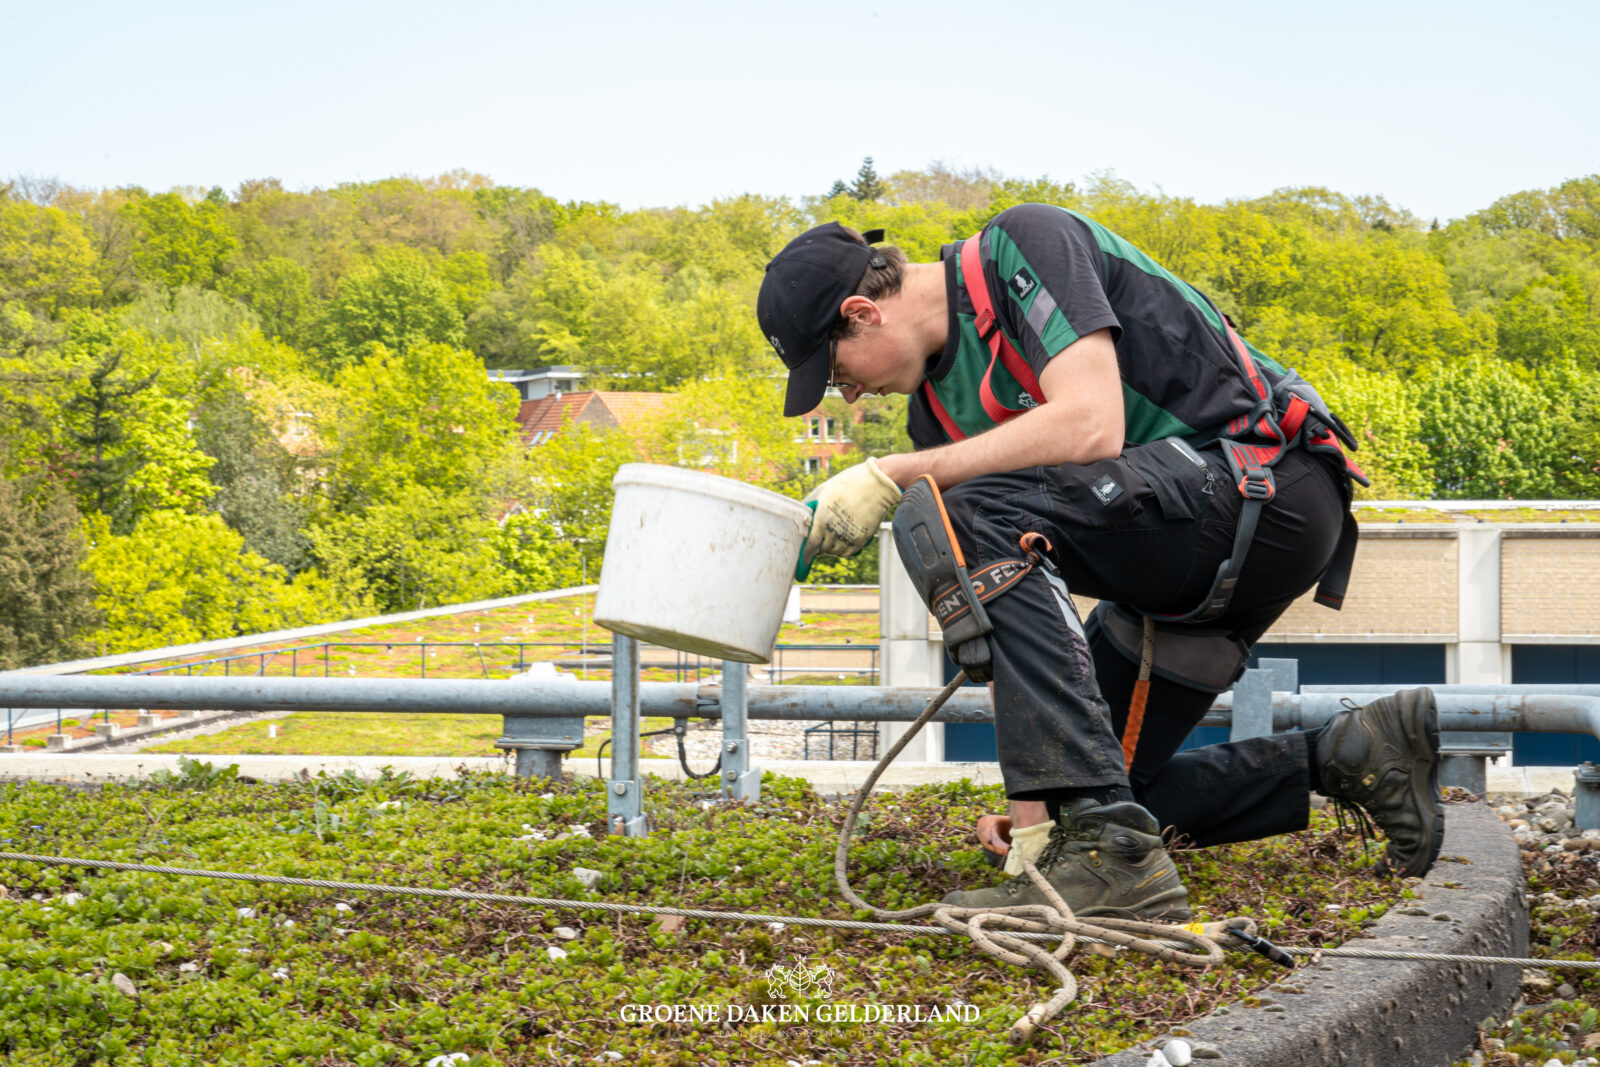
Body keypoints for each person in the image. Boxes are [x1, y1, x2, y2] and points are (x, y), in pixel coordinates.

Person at [755, 206, 1443, 919]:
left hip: (1267, 490)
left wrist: (898, 475)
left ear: (863, 312)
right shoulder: (935, 415)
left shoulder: (1022, 249)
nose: (850, 395)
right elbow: (1000, 629)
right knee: (1102, 810)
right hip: (1184, 556)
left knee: (955, 512)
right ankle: (1351, 752)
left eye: (836, 373)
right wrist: (1034, 829)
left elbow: (1091, 422)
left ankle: (1098, 854)